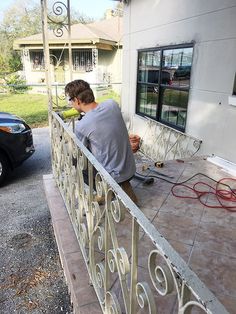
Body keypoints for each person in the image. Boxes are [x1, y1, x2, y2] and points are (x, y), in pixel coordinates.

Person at [65, 79, 137, 203]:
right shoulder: (112, 104)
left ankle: (105, 191)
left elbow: (79, 151)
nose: (71, 104)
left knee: (75, 159)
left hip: (111, 176)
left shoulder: (82, 126)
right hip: (130, 168)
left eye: (70, 100)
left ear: (77, 100)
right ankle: (123, 187)